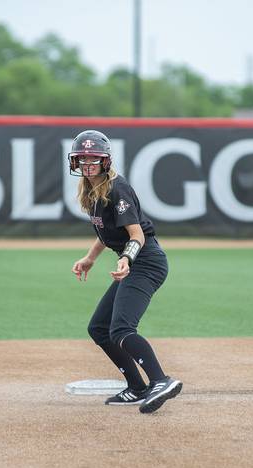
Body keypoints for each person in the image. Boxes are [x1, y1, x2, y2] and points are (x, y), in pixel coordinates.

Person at [69, 130, 182, 413]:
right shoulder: (93, 190)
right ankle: (137, 387)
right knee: (99, 329)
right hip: (134, 262)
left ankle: (160, 380)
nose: (88, 162)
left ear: (106, 160)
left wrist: (127, 259)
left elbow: (137, 235)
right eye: (83, 158)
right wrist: (90, 258)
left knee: (121, 328)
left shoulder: (117, 189)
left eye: (94, 157)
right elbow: (106, 231)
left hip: (146, 262)